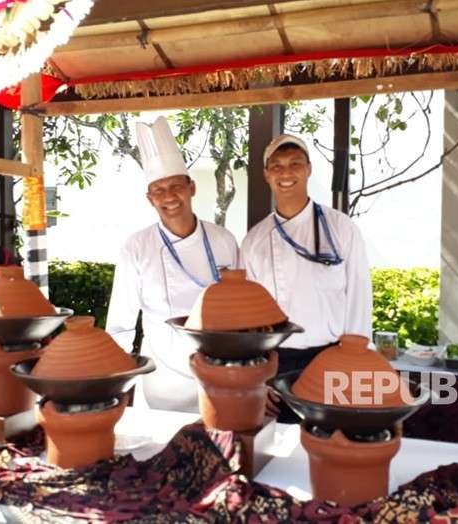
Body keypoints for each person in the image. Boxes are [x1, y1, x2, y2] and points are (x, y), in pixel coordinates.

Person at [106, 116, 239, 412]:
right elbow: (121, 323)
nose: (169, 197)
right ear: (149, 198)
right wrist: (118, 385)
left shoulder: (224, 241)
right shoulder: (136, 247)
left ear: (191, 188)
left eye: (176, 186)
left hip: (218, 374)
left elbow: (241, 311)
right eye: (158, 190)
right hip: (161, 380)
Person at [240, 134, 373, 422]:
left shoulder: (341, 228)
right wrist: (256, 378)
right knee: (278, 454)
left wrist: (353, 366)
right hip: (275, 367)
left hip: (330, 360)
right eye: (276, 166)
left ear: (309, 169)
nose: (286, 173)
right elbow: (247, 321)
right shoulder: (254, 241)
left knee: (331, 449)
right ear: (266, 174)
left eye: (295, 164)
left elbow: (360, 300)